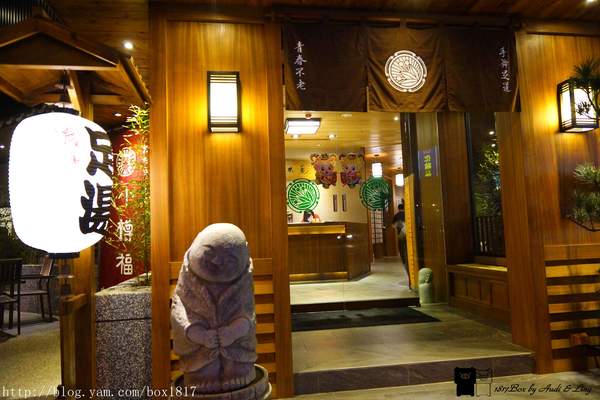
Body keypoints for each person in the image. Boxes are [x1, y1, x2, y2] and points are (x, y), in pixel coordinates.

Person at [392, 201, 410, 289]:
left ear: (398, 208)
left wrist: (400, 226)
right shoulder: (408, 214)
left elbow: (393, 226)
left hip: (401, 236)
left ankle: (405, 261)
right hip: (409, 236)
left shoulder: (396, 215)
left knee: (403, 252)